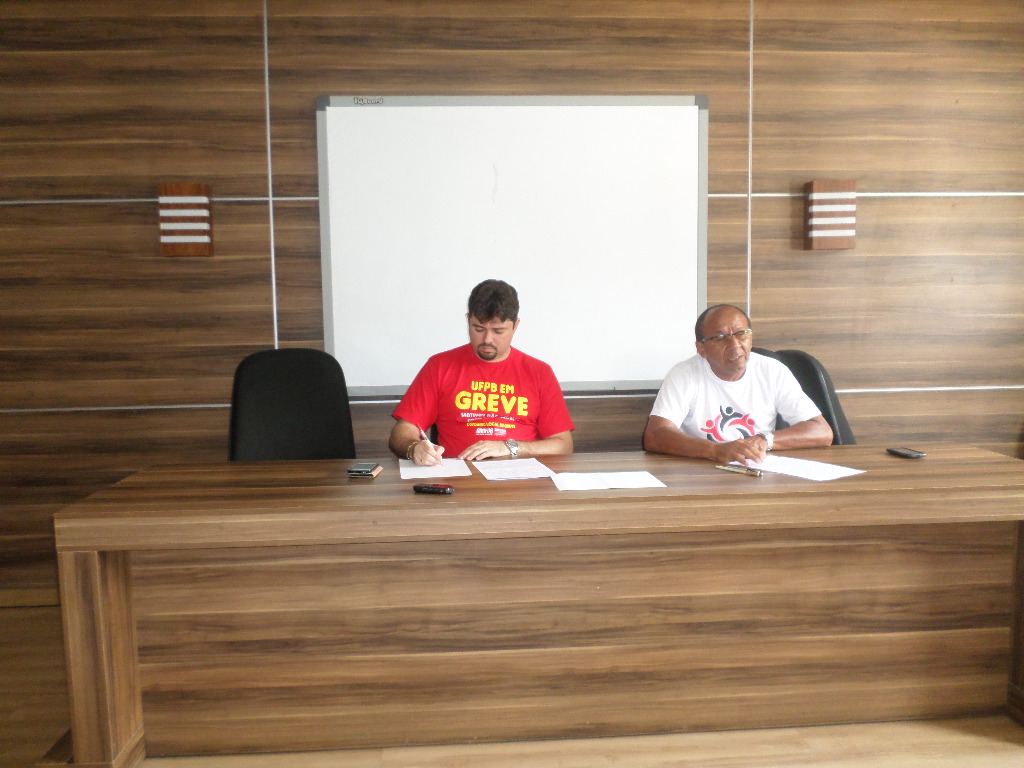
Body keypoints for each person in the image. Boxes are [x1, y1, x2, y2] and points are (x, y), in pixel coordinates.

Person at [389, 279, 575, 465]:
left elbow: (563, 445)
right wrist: (413, 448)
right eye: (478, 329)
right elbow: (403, 431)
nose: (487, 339)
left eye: (498, 331)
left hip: (521, 476)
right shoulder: (440, 366)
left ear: (515, 325)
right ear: (468, 320)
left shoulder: (539, 372)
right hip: (458, 475)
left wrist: (509, 447)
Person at [642, 304, 833, 465]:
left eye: (742, 334)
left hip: (757, 469)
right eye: (720, 338)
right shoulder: (685, 374)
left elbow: (821, 431)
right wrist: (717, 450)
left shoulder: (772, 370)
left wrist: (764, 440)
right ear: (701, 349)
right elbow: (655, 435)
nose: (735, 345)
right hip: (701, 471)